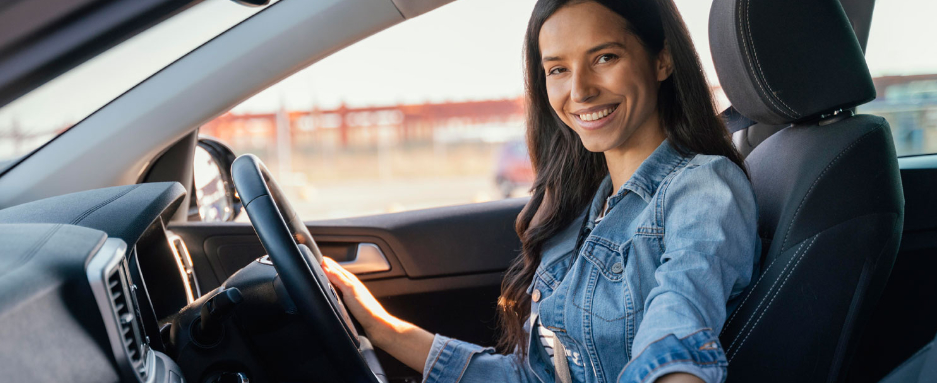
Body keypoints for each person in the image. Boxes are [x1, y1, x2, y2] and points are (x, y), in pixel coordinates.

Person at [320, 0, 759, 382]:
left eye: (604, 57)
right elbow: (533, 376)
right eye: (558, 69)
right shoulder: (584, 208)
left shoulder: (702, 186)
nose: (580, 90)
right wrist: (380, 328)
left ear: (662, 59)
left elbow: (678, 324)